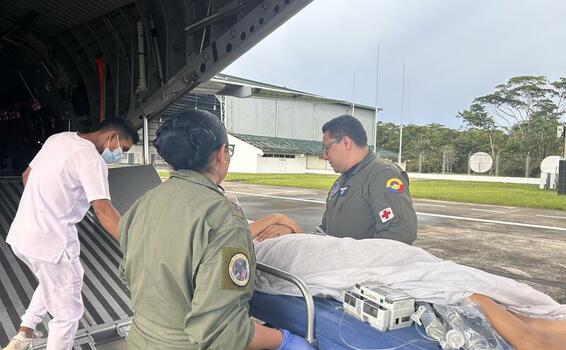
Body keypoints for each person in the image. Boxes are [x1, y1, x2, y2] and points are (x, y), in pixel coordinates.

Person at [118, 110, 314, 350]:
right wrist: (284, 340)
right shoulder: (222, 218)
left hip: (139, 340)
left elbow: (130, 274)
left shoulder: (144, 202)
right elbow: (223, 331)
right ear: (222, 153)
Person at [254, 234, 566, 350]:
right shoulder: (549, 313)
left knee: (404, 265)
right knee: (415, 269)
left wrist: (281, 225)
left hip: (324, 249)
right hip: (281, 253)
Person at [2, 117, 138, 350]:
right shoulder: (92, 160)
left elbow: (27, 175)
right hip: (52, 241)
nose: (120, 155)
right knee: (68, 314)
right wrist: (135, 244)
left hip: (23, 234)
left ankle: (25, 332)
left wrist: (44, 206)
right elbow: (103, 209)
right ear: (111, 136)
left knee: (57, 281)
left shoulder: (58, 139)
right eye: (122, 148)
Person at [318, 115, 417, 244]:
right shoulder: (342, 181)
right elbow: (327, 229)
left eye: (327, 148)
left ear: (346, 143)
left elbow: (399, 234)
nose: (325, 156)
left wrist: (360, 260)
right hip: (340, 262)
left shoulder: (382, 175)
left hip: (364, 264)